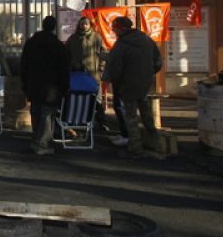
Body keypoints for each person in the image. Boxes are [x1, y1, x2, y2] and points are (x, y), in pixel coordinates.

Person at [104, 16, 163, 159]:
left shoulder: (122, 44)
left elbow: (115, 67)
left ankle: (135, 147)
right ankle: (155, 143)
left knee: (131, 117)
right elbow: (158, 61)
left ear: (120, 29)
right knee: (146, 114)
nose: (114, 31)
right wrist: (148, 74)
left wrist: (112, 80)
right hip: (144, 83)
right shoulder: (147, 40)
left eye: (115, 29)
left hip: (128, 85)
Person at [20, 16, 70, 155]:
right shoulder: (58, 46)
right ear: (54, 27)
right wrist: (65, 86)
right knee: (47, 114)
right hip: (52, 86)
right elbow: (64, 69)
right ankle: (43, 144)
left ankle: (36, 140)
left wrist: (25, 83)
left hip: (34, 84)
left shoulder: (31, 43)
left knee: (35, 111)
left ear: (42, 25)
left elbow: (24, 64)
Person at [65, 17, 109, 133]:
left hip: (93, 75)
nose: (84, 26)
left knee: (97, 100)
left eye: (86, 24)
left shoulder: (97, 37)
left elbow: (103, 55)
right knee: (79, 99)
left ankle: (101, 123)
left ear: (90, 25)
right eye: (82, 24)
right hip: (77, 75)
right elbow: (66, 54)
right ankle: (79, 123)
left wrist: (100, 71)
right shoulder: (73, 38)